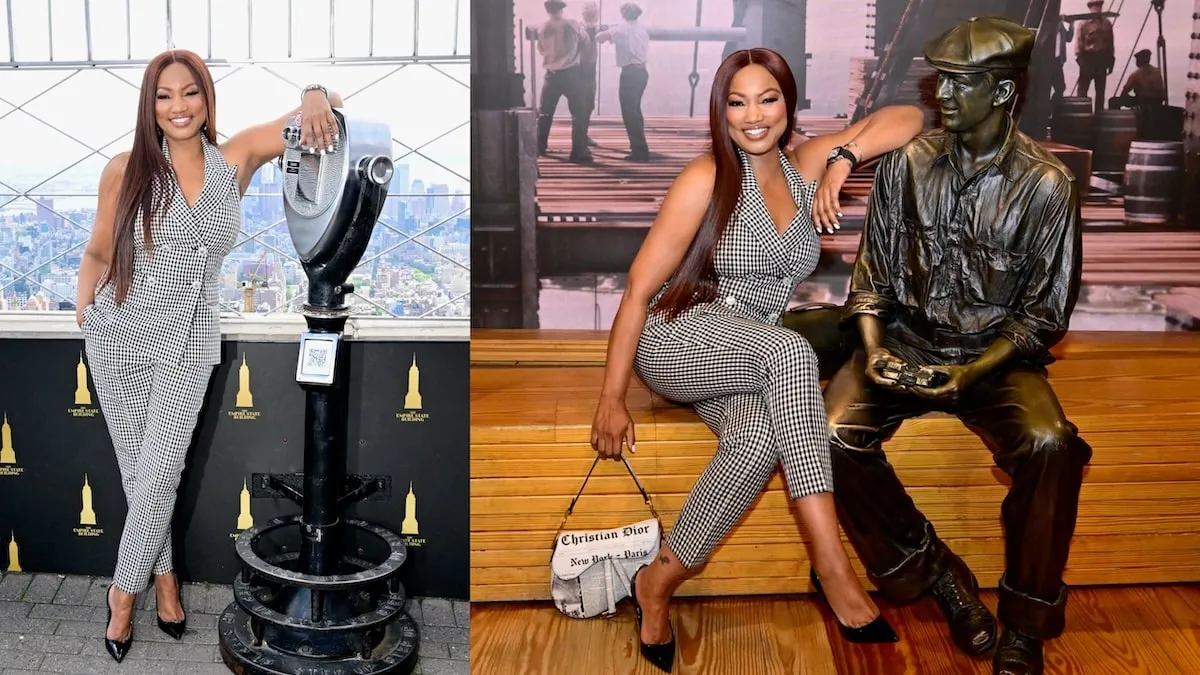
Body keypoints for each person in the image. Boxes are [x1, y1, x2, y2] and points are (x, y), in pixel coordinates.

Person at [589, 47, 925, 672]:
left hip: (753, 351)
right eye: (736, 101)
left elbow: (909, 118)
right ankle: (834, 570)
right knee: (793, 350)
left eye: (767, 98)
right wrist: (610, 399)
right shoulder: (707, 177)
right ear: (720, 110)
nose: (752, 115)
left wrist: (843, 162)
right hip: (678, 341)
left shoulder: (805, 165)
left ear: (787, 105)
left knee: (757, 439)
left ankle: (657, 584)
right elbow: (638, 290)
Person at [823, 17, 1090, 675]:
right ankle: (937, 573)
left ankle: (1024, 621)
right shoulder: (909, 164)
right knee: (829, 432)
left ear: (1001, 93)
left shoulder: (1046, 184)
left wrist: (974, 372)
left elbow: (1043, 317)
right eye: (941, 78)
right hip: (907, 339)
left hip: (997, 355)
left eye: (961, 82)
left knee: (1052, 444)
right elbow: (872, 277)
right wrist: (873, 347)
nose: (942, 93)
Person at [74, 48, 342, 663]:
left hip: (189, 344)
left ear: (206, 97)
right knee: (143, 478)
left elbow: (312, 119)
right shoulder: (125, 169)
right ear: (150, 105)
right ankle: (164, 585)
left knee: (160, 471)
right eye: (164, 96)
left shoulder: (235, 158)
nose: (177, 107)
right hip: (119, 336)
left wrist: (314, 91)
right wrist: (85, 309)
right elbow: (94, 253)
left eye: (189, 93)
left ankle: (121, 596)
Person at [536, 0, 592, 163]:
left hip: (551, 75)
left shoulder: (542, 28)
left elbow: (541, 49)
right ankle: (578, 151)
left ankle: (540, 147)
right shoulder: (573, 24)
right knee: (579, 113)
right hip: (571, 74)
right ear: (561, 9)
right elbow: (585, 42)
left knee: (545, 113)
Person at [596, 3, 650, 161]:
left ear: (624, 14)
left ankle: (640, 151)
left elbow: (598, 38)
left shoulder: (621, 29)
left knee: (629, 113)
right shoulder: (641, 28)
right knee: (635, 111)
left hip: (630, 74)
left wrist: (605, 29)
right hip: (642, 72)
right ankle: (639, 146)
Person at [1075, 0, 1114, 115]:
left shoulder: (1107, 23)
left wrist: (1111, 60)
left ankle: (1099, 116)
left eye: (1100, 5)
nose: (1098, 8)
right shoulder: (1083, 24)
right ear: (1090, 7)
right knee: (1082, 91)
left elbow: (1110, 42)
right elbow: (1078, 46)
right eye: (1095, 6)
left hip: (1101, 59)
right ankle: (1081, 116)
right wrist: (1082, 62)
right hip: (1087, 59)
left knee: (1100, 91)